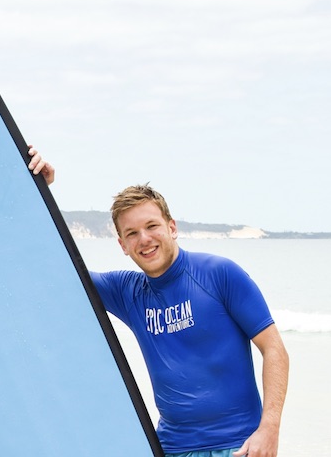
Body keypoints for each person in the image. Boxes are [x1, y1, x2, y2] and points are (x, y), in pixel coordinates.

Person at [88, 184, 289, 457]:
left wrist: (269, 429)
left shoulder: (220, 274)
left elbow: (274, 349)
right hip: (171, 449)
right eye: (132, 233)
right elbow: (57, 266)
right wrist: (38, 186)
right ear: (123, 245)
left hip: (238, 447)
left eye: (152, 226)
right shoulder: (127, 292)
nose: (144, 239)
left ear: (172, 227)